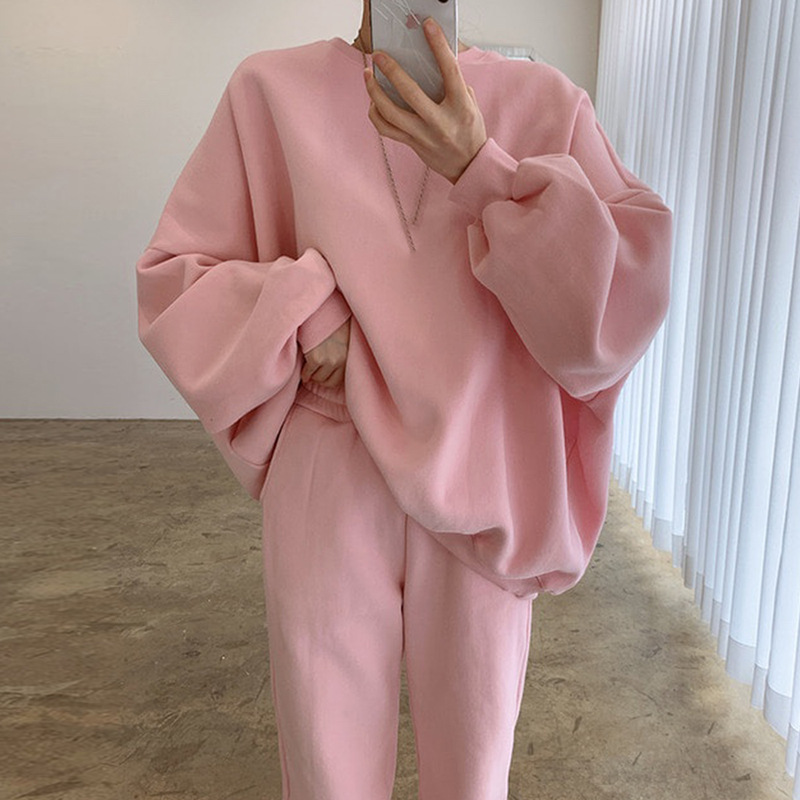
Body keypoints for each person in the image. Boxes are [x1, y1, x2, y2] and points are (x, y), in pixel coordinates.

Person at [135, 1, 673, 797]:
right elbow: (174, 281)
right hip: (331, 467)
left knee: (473, 774)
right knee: (327, 771)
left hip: (486, 475)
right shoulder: (270, 92)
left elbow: (626, 291)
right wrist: (305, 308)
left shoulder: (545, 103)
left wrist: (481, 168)